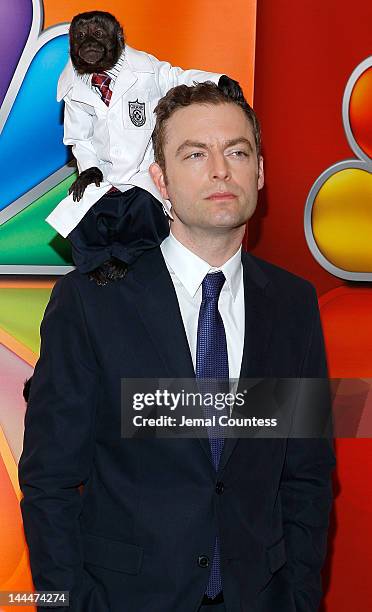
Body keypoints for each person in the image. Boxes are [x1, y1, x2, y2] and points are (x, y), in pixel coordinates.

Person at [19, 82, 335, 612]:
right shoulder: (91, 302)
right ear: (160, 179)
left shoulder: (293, 305)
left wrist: (299, 598)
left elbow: (307, 474)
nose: (220, 170)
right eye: (195, 154)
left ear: (259, 172)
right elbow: (49, 481)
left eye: (237, 152)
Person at [45, 10, 240, 285]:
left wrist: (218, 80)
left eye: (98, 35)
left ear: (118, 38)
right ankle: (98, 268)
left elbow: (176, 78)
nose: (89, 42)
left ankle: (125, 260)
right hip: (104, 175)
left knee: (145, 213)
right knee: (81, 217)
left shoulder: (145, 70)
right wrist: (89, 170)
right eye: (80, 37)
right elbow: (80, 138)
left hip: (142, 170)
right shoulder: (74, 88)